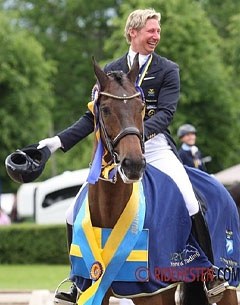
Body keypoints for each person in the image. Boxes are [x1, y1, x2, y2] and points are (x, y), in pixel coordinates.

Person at [38, 8, 224, 304]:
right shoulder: (111, 70)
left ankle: (208, 271)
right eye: (151, 31)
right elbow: (92, 118)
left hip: (156, 146)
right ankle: (77, 280)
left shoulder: (167, 69)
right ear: (132, 33)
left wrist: (134, 135)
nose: (156, 36)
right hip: (114, 150)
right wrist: (54, 143)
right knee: (72, 211)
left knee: (189, 199)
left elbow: (166, 113)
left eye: (158, 31)